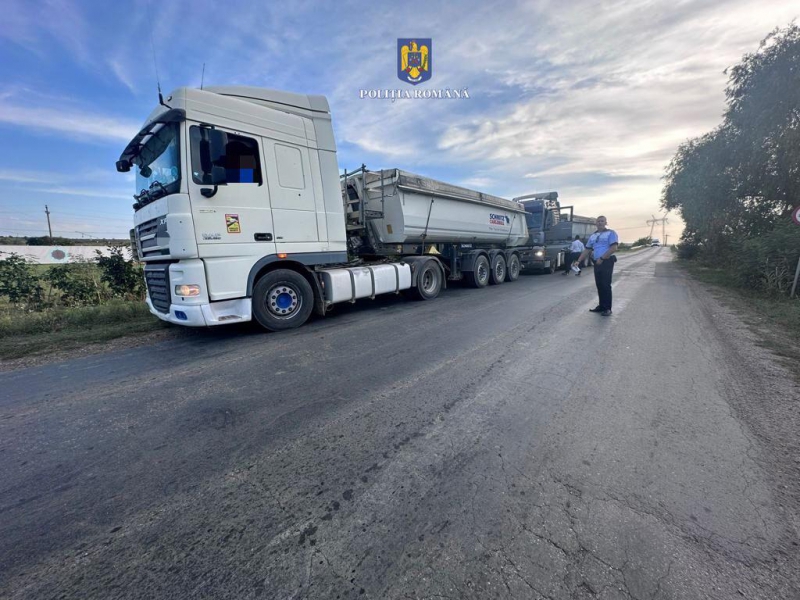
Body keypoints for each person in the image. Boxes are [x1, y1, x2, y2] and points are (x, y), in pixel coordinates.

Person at [576, 216, 619, 316]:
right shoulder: (593, 236)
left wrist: (602, 258)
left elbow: (614, 248)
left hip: (606, 261)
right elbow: (587, 249)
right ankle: (601, 306)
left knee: (606, 285)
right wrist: (579, 260)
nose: (600, 223)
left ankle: (607, 308)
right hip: (597, 262)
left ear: (606, 223)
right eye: (598, 221)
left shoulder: (611, 233)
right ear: (596, 223)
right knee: (599, 285)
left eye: (602, 221)